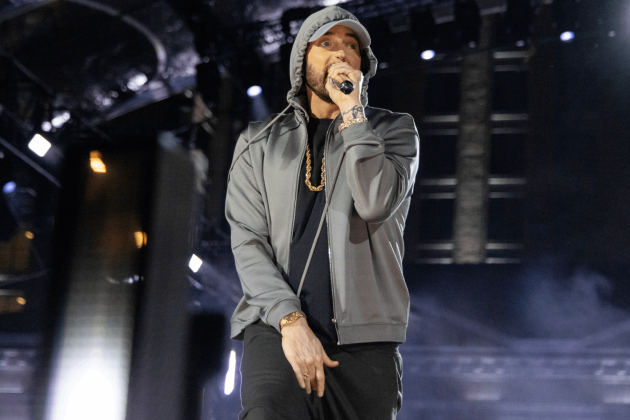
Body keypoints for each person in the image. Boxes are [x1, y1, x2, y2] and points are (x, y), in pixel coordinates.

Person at [225, 5, 419, 420]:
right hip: (277, 327)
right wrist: (289, 320)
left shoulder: (394, 131)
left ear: (363, 67)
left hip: (365, 343)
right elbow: (247, 239)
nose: (341, 53)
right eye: (326, 44)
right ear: (302, 61)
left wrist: (353, 115)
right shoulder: (257, 142)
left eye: (352, 47)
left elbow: (376, 201)